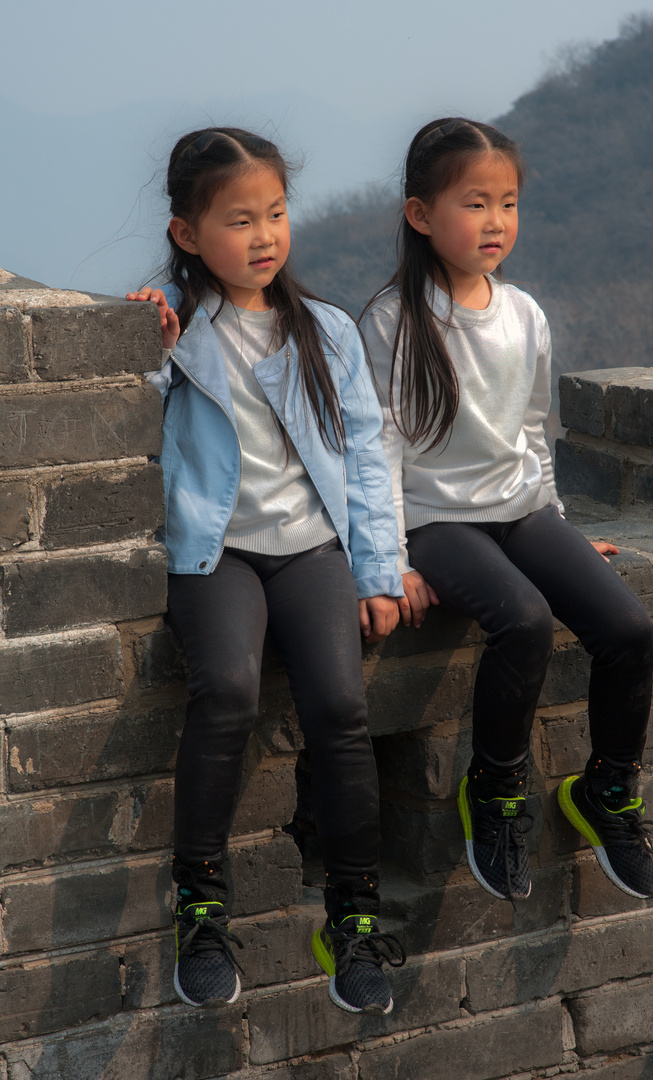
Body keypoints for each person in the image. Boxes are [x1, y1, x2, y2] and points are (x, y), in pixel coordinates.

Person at [127, 127, 405, 1015]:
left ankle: (354, 914)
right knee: (230, 693)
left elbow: (368, 453)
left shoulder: (322, 329)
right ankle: (200, 903)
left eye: (276, 214)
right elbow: (122, 423)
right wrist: (143, 342)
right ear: (186, 234)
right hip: (216, 554)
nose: (263, 236)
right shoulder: (177, 328)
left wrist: (379, 569)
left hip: (311, 549)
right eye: (239, 219)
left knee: (340, 704)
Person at [360, 117, 653, 905]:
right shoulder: (394, 319)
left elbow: (531, 430)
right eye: (474, 203)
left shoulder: (523, 313)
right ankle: (493, 790)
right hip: (436, 523)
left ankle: (607, 788)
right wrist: (388, 556)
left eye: (508, 203)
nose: (494, 222)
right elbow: (379, 448)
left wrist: (557, 522)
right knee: (521, 620)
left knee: (627, 629)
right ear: (420, 215)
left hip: (522, 510)